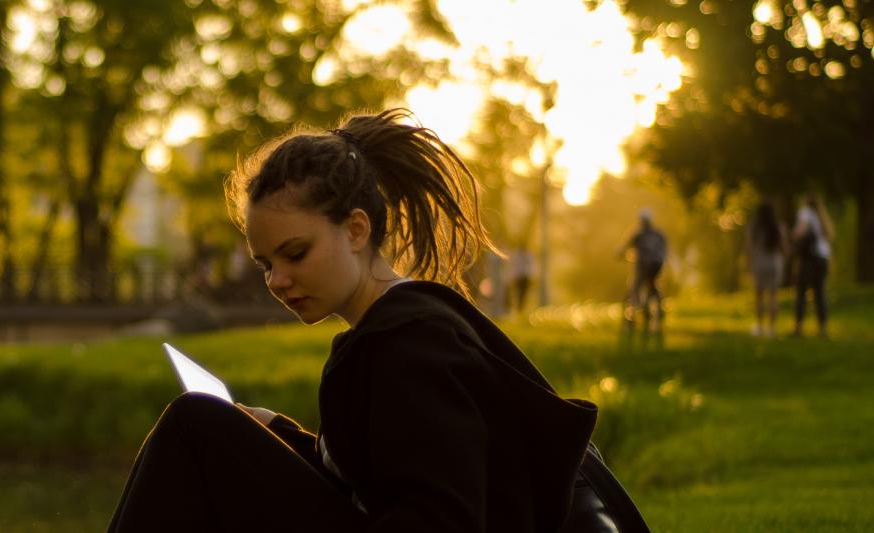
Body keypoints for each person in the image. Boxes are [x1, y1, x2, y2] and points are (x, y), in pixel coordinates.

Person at [109, 109, 646, 532]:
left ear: (357, 229)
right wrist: (284, 437)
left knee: (195, 426)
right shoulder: (396, 329)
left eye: (295, 254)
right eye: (266, 264)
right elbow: (382, 481)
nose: (277, 280)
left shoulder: (407, 342)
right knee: (212, 431)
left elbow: (442, 518)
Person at [791, 195, 833, 338]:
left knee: (801, 292)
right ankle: (822, 329)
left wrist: (793, 235)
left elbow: (800, 231)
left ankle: (798, 327)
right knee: (820, 293)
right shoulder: (822, 216)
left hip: (809, 258)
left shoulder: (805, 212)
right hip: (823, 258)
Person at [621, 209, 667, 332]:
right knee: (653, 283)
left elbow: (624, 247)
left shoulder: (638, 233)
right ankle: (659, 305)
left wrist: (620, 254)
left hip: (642, 264)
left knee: (636, 285)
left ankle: (634, 310)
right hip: (657, 264)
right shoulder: (658, 233)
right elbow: (664, 248)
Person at [746, 202, 787, 337]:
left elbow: (750, 248)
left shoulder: (755, 228)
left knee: (759, 296)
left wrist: (748, 265)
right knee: (773, 296)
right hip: (774, 263)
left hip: (759, 263)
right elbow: (783, 248)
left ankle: (759, 326)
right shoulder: (778, 227)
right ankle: (772, 329)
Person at [506, 247, 535, 314]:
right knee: (519, 293)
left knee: (523, 293)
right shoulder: (517, 254)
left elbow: (530, 266)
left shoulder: (528, 254)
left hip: (525, 277)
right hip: (519, 277)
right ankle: (518, 307)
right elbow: (514, 266)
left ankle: (520, 307)